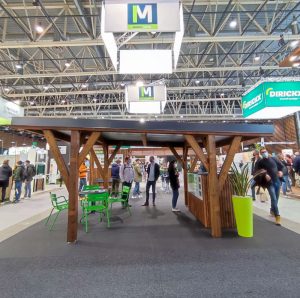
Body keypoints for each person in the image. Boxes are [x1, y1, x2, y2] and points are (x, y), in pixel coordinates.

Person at [256, 147, 284, 226]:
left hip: (277, 181)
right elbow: (258, 171)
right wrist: (265, 174)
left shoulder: (274, 159)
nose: (264, 153)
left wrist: (281, 172)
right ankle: (277, 216)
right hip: (269, 183)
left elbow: (282, 166)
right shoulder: (260, 162)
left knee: (276, 198)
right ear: (261, 154)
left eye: (265, 151)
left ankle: (272, 210)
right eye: (262, 152)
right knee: (273, 198)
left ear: (267, 151)